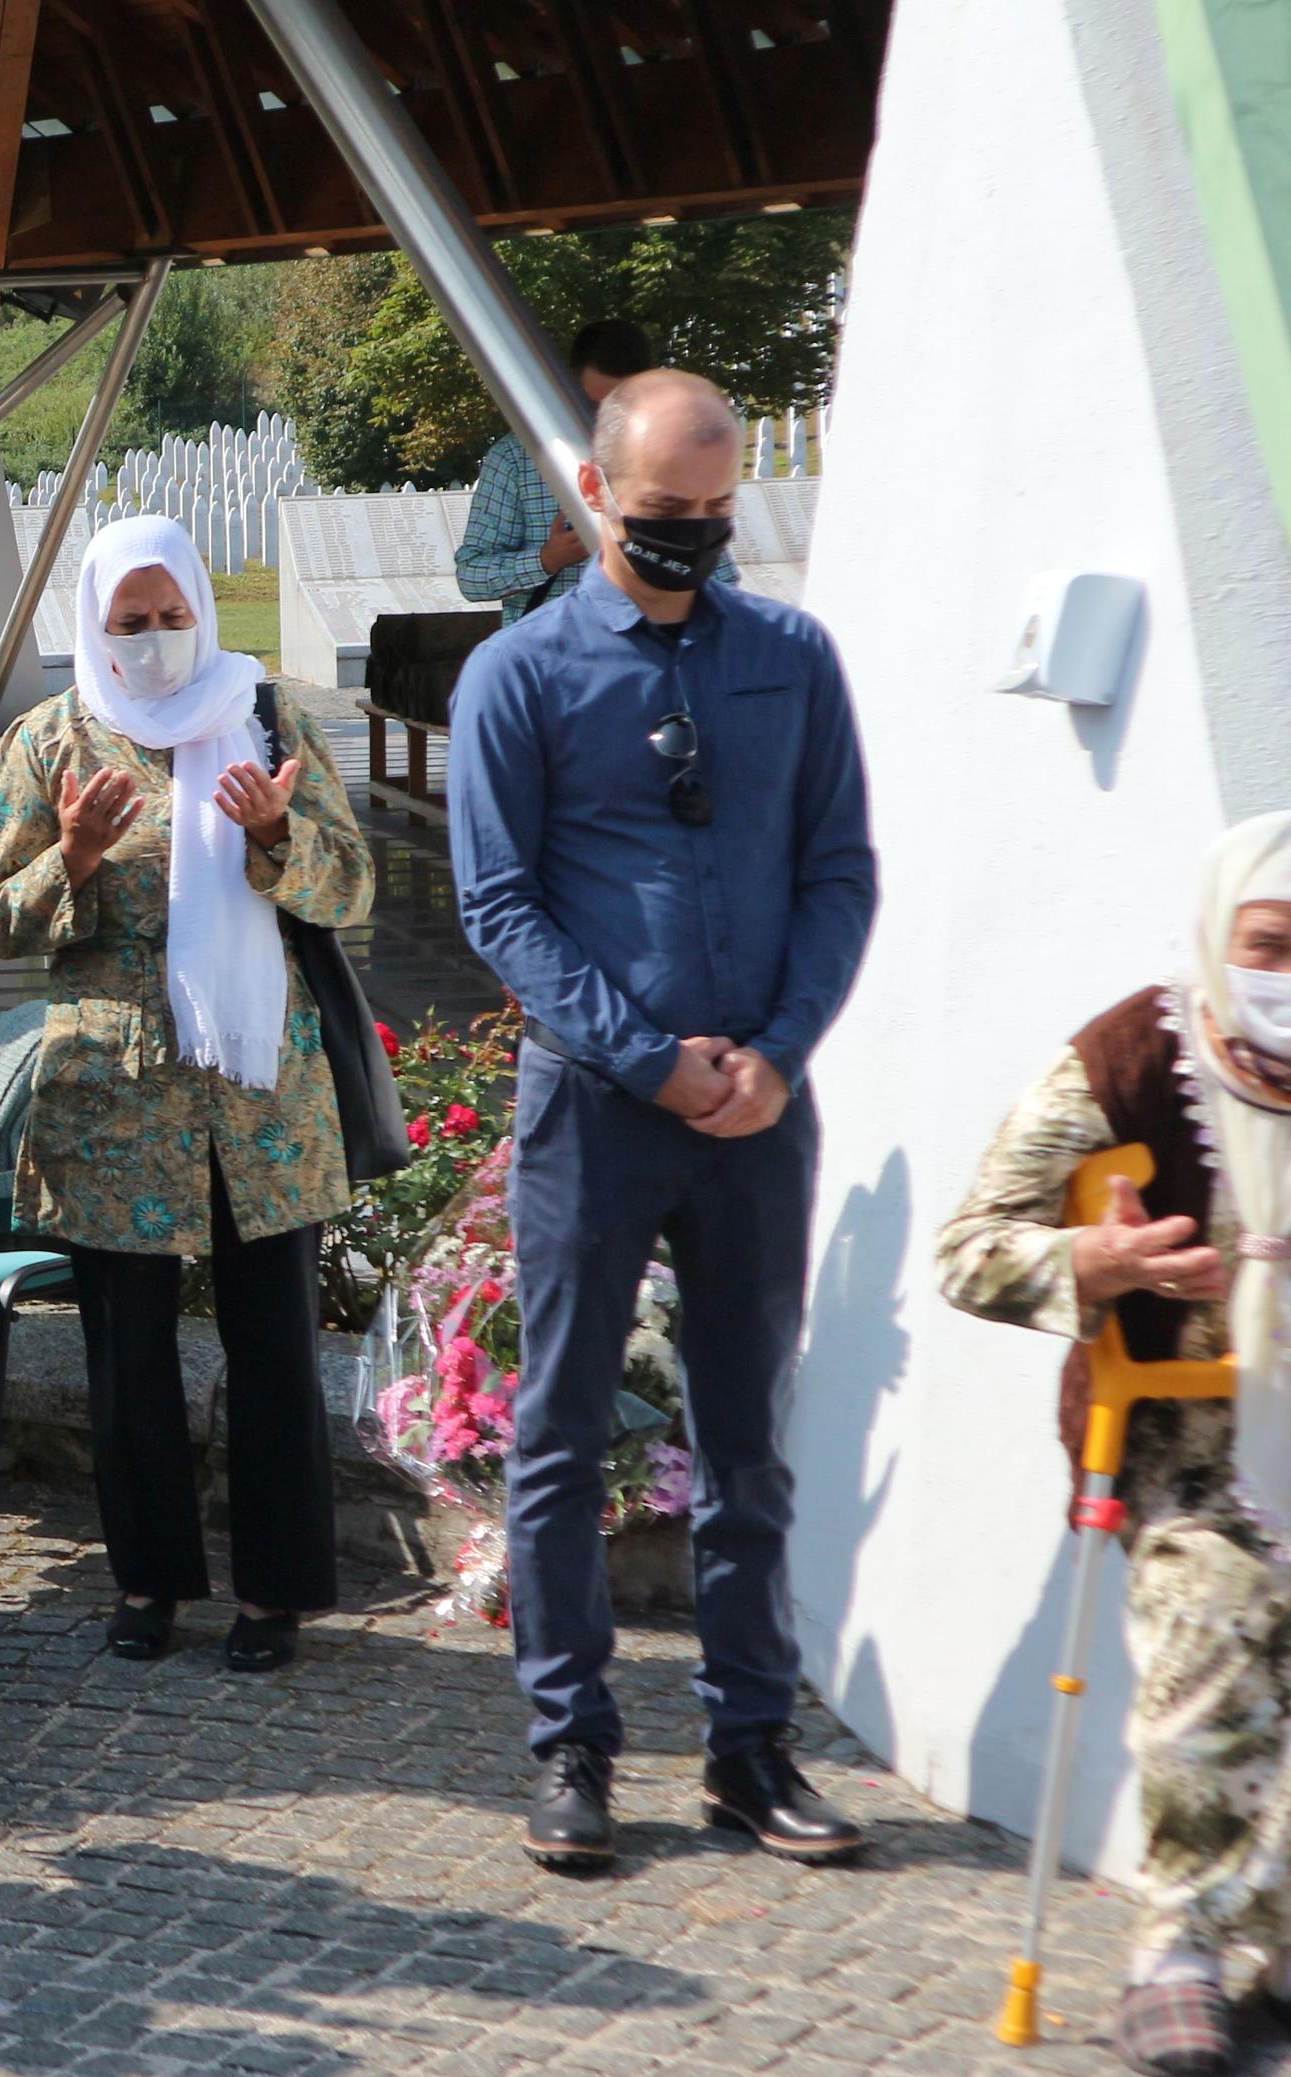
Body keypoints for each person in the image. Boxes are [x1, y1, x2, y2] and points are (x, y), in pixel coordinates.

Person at [449, 370, 877, 1876]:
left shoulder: (793, 660)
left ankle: (752, 1748)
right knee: (562, 1431)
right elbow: (501, 902)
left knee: (748, 1435)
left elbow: (840, 873)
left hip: (760, 1107)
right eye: (661, 513)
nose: (692, 537)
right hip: (597, 1108)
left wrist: (776, 1048)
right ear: (593, 488)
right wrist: (648, 1058)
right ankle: (571, 1743)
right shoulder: (519, 677)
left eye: (715, 511)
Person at [0, 516, 373, 1674]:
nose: (152, 642)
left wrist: (274, 832)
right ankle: (147, 1582)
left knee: (275, 1348)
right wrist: (75, 861)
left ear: (204, 606)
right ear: (93, 629)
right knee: (127, 1354)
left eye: (170, 616)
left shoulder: (272, 715)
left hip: (257, 1094)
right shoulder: (49, 739)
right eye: (127, 624)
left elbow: (351, 887)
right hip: (115, 1092)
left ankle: (276, 1596)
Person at [935, 813, 1291, 2077]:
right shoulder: (1134, 1056)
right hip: (1188, 1443)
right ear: (1221, 936)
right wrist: (1095, 1258)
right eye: (1273, 946)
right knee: (1224, 1607)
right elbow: (969, 1251)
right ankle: (1178, 1948)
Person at [453, 320, 735, 623]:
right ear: (566, 386)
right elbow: (471, 578)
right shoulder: (516, 459)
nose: (605, 420)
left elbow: (721, 580)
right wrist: (548, 558)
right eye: (594, 404)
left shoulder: (677, 454)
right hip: (553, 658)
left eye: (623, 405)